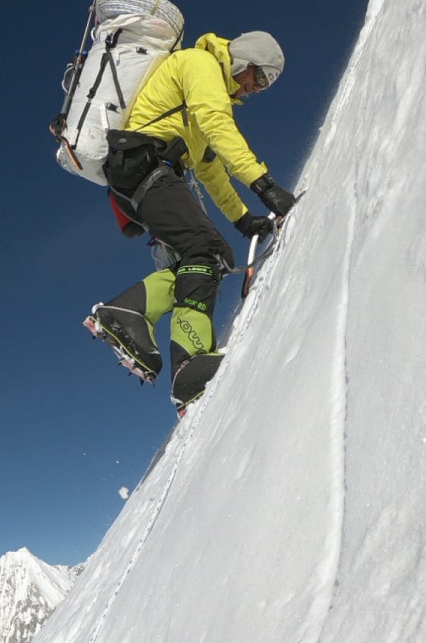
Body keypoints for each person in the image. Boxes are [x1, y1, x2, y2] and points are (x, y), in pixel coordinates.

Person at [84, 31, 298, 413]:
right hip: (143, 164)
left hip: (143, 172)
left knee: (202, 258)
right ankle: (188, 361)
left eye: (265, 84)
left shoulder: (200, 99)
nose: (257, 88)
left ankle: (131, 314)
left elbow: (211, 170)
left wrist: (244, 219)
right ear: (246, 59)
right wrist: (263, 185)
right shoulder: (201, 66)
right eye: (260, 77)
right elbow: (219, 125)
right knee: (207, 250)